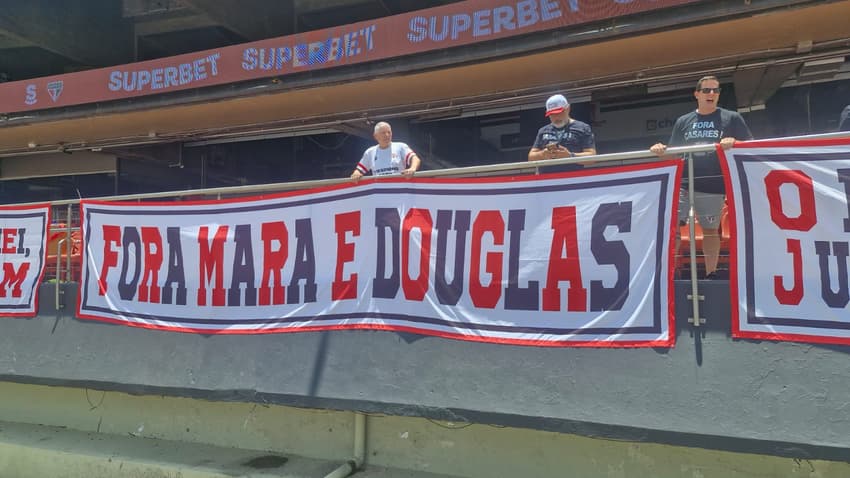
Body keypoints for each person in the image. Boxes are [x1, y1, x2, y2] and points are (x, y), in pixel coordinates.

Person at [650, 75, 753, 279]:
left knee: (710, 230)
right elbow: (674, 151)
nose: (711, 94)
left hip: (713, 185)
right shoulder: (684, 121)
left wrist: (735, 142)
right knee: (674, 228)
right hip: (683, 183)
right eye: (706, 90)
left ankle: (711, 273)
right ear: (696, 94)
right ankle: (672, 274)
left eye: (716, 90)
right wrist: (660, 148)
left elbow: (749, 144)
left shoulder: (731, 117)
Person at [528, 94, 596, 172]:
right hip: (547, 180)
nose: (556, 117)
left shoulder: (582, 128)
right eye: (552, 114)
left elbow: (592, 157)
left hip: (573, 179)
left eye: (559, 113)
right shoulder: (543, 131)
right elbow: (531, 157)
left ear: (568, 109)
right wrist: (543, 154)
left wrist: (570, 156)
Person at [350, 121, 420, 181]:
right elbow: (359, 170)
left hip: (399, 190)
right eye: (383, 133)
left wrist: (412, 168)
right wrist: (356, 174)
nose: (387, 135)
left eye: (389, 132)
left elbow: (415, 158)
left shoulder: (400, 146)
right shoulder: (370, 152)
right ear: (375, 136)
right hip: (380, 193)